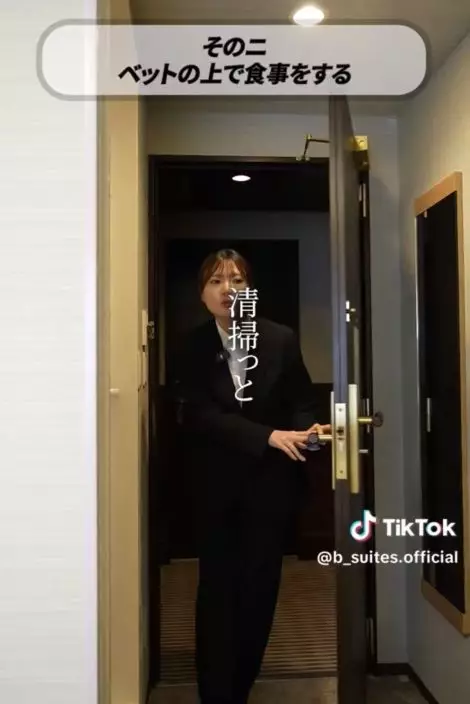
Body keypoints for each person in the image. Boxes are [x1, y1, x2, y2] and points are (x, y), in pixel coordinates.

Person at [175, 248, 330, 704]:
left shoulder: (280, 339)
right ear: (202, 294)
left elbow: (301, 400)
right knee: (217, 592)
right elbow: (199, 415)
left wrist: (309, 430)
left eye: (238, 281)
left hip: (270, 487)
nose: (228, 290)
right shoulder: (192, 345)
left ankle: (240, 687)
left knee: (260, 591)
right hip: (214, 488)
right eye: (216, 281)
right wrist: (267, 436)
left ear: (251, 291)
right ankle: (214, 693)